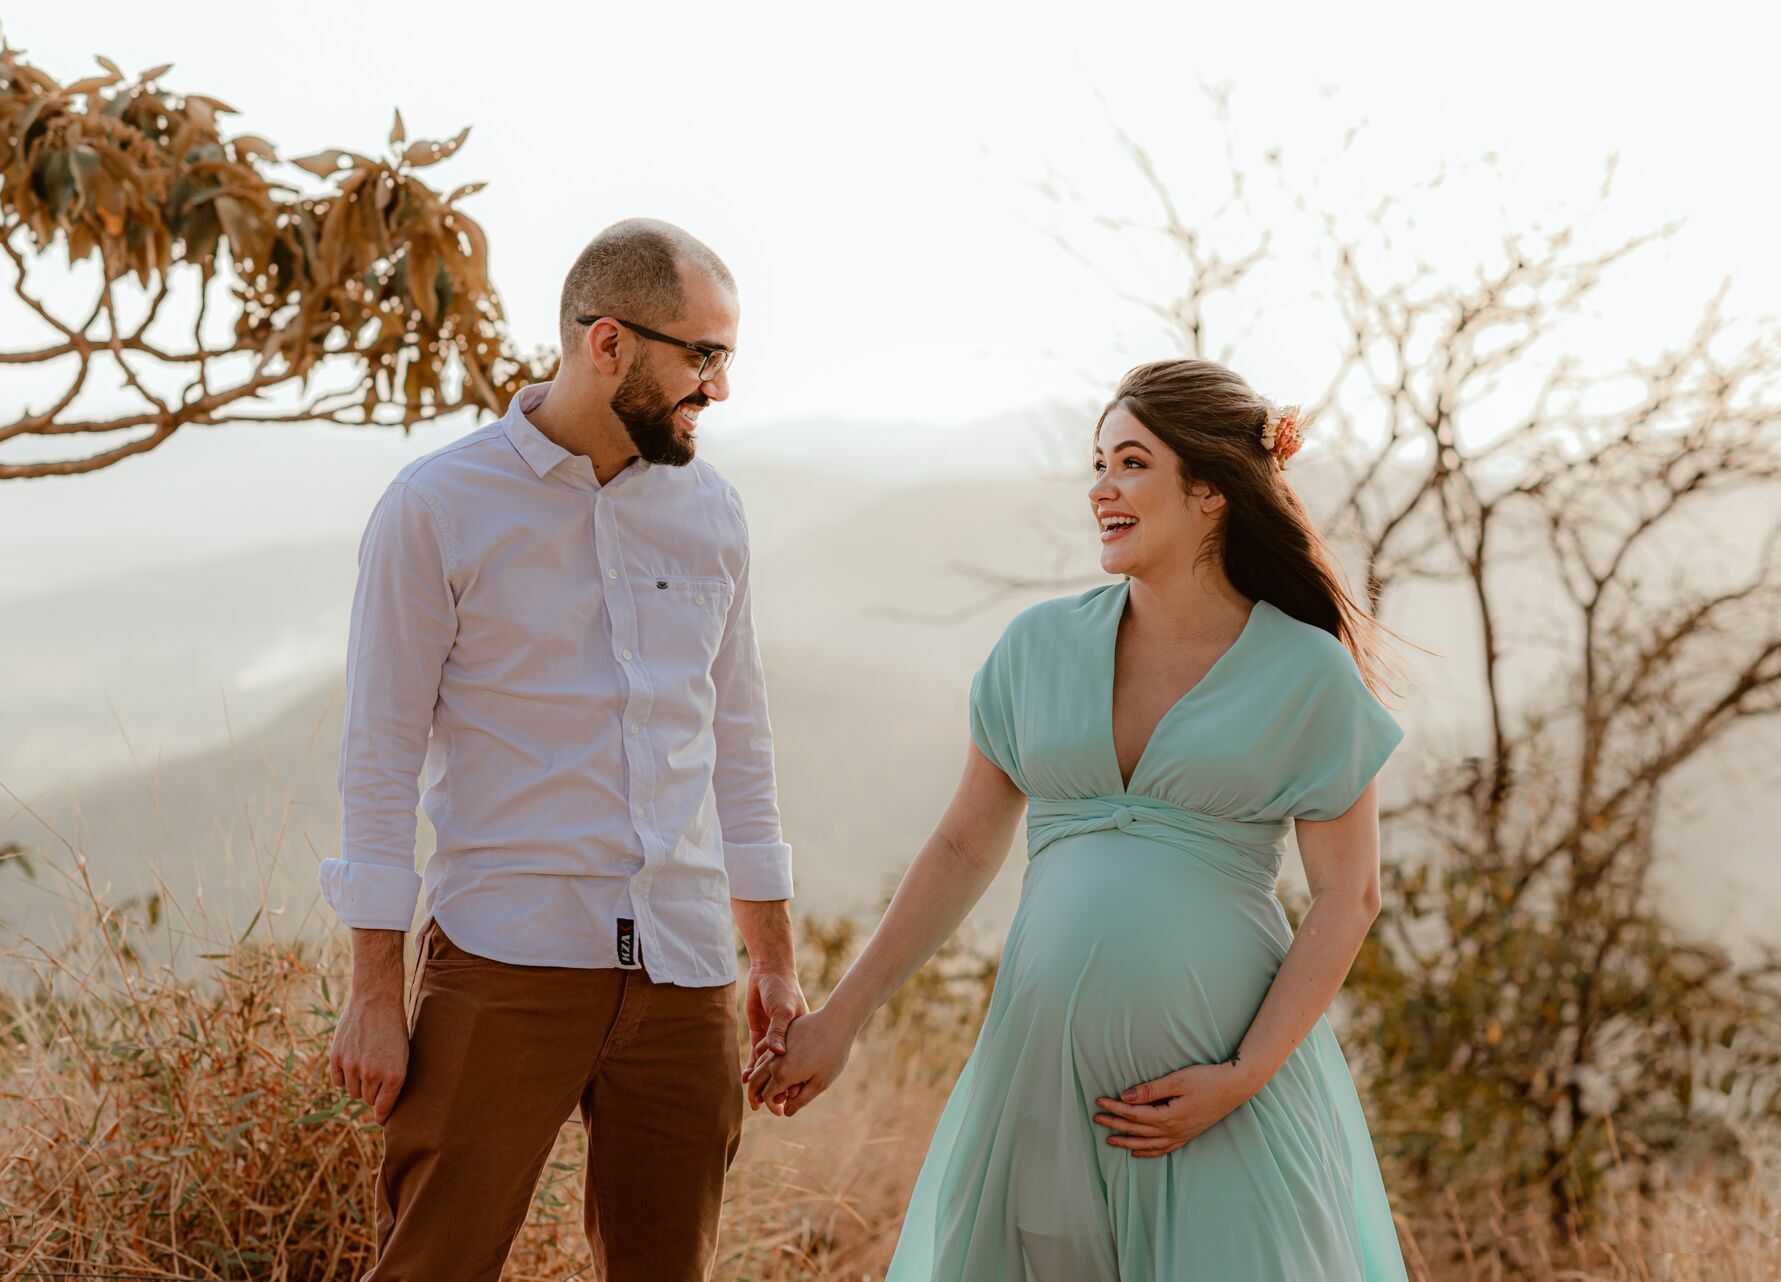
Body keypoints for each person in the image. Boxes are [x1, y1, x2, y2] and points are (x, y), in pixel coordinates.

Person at [748, 357, 1412, 1279]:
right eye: (1098, 463)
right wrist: (844, 1017)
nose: (1102, 488)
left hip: (1219, 1098)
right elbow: (960, 844)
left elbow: (1351, 896)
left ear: (1212, 490)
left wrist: (1240, 1078)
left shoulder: (1306, 672)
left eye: (1132, 463)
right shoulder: (1038, 648)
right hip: (1039, 1088)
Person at [321, 218, 806, 1282]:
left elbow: (740, 743)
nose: (718, 387)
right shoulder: (436, 508)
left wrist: (770, 958)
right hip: (503, 961)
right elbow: (378, 756)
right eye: (703, 354)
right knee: (431, 1265)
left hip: (684, 971)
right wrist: (373, 986)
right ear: (608, 342)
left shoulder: (712, 512)